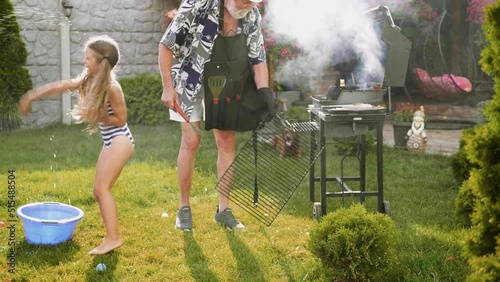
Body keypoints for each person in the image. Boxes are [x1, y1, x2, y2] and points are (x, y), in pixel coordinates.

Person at [158, 0, 273, 230]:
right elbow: (166, 45)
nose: (248, 5)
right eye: (245, 1)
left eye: (252, 2)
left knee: (227, 141)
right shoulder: (197, 5)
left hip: (225, 82)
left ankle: (223, 209)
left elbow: (258, 57)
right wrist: (168, 88)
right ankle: (183, 208)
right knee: (191, 141)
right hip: (190, 80)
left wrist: (265, 93)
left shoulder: (250, 14)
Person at [18, 35, 134, 254]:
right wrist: (32, 96)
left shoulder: (112, 87)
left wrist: (97, 115)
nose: (84, 61)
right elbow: (63, 85)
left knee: (102, 189)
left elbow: (121, 120)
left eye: (88, 57)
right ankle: (112, 236)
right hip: (111, 140)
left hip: (121, 139)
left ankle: (113, 238)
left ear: (101, 64)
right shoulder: (89, 79)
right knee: (98, 190)